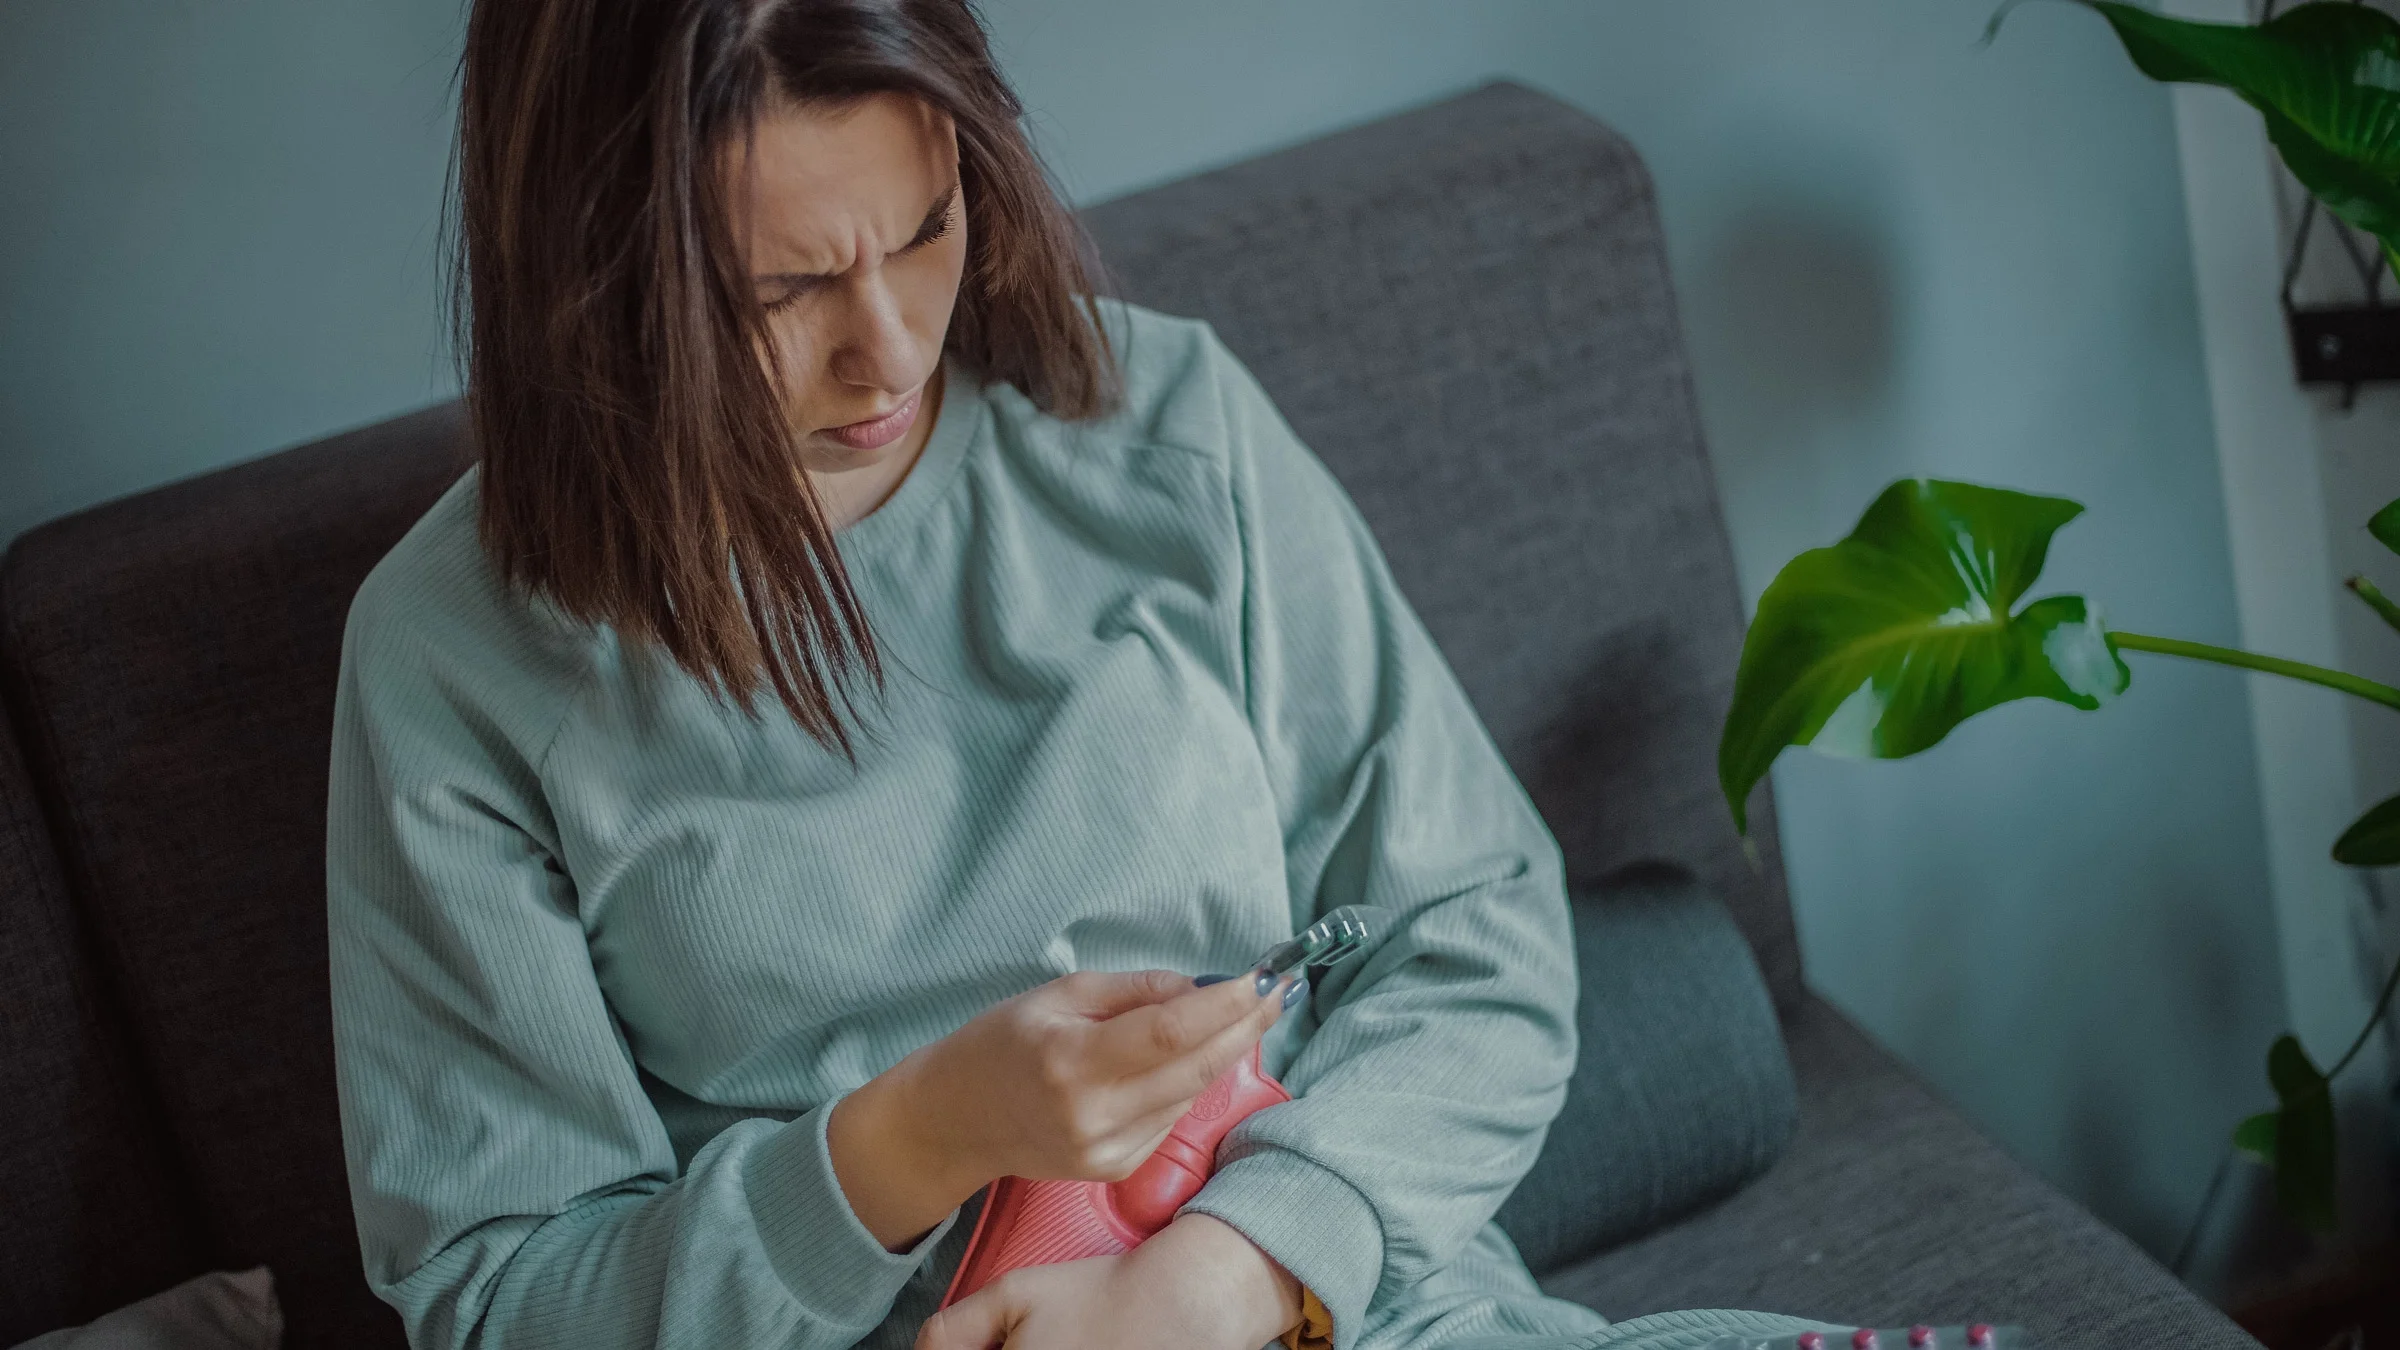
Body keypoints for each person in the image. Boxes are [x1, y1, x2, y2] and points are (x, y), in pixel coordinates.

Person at [324, 3, 1838, 1349]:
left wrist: (1227, 1277)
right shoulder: (455, 664)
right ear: (595, 276)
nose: (895, 349)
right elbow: (502, 1302)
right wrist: (913, 1138)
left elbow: (1480, 931)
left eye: (926, 225)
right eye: (782, 294)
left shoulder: (1161, 421)